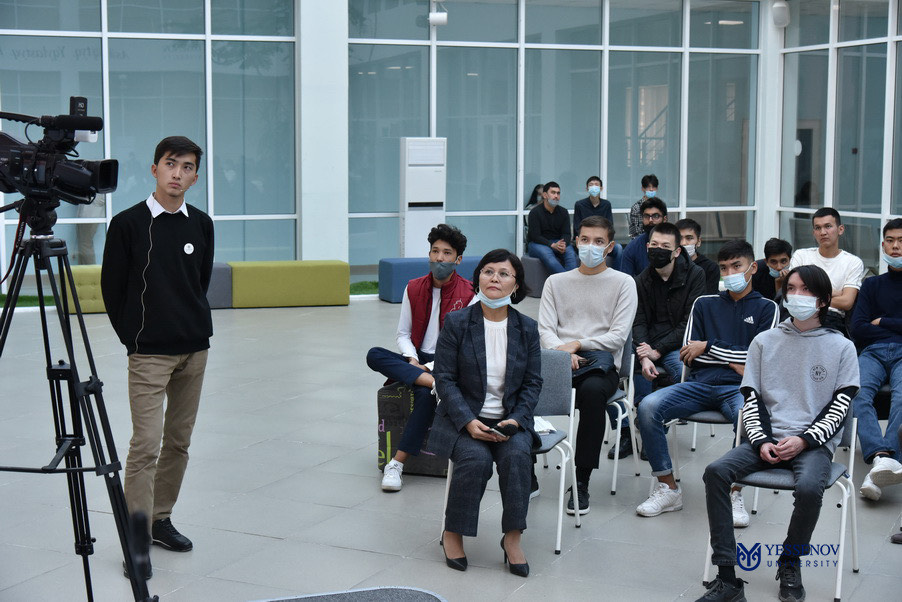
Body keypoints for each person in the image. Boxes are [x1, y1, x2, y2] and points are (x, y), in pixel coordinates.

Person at [695, 265, 859, 602]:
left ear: (823, 301)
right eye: (792, 288)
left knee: (810, 487)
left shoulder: (841, 347)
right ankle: (727, 577)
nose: (796, 296)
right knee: (715, 472)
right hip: (766, 439)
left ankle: (790, 562)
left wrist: (804, 440)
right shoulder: (764, 341)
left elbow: (841, 404)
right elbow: (752, 398)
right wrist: (761, 440)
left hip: (812, 444)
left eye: (806, 290)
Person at [101, 136, 214, 578]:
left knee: (179, 442)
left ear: (195, 177)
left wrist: (191, 326)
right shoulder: (128, 224)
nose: (177, 174)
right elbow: (113, 289)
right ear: (154, 169)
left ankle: (160, 519)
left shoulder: (201, 224)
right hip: (149, 354)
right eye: (170, 164)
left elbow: (199, 282)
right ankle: (136, 539)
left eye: (187, 168)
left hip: (194, 349)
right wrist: (134, 339)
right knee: (145, 446)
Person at [635, 240, 778, 525]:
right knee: (648, 406)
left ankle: (734, 491)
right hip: (698, 384)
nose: (730, 273)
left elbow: (760, 359)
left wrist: (709, 346)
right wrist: (734, 359)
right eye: (724, 268)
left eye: (736, 266)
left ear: (752, 268)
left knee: (749, 419)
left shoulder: (767, 308)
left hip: (740, 389)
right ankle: (668, 488)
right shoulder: (705, 304)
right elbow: (688, 352)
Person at [430, 250, 540, 578]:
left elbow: (533, 383)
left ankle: (512, 537)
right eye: (488, 271)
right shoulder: (458, 322)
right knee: (475, 459)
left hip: (509, 420)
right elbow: (444, 378)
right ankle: (453, 532)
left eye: (504, 274)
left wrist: (516, 420)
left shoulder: (526, 328)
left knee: (517, 457)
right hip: (462, 418)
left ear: (516, 285)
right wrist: (468, 421)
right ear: (478, 278)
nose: (495, 278)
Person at [538, 216, 638, 514]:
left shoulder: (623, 283)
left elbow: (618, 337)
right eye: (584, 240)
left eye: (598, 241)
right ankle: (523, 471)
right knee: (518, 383)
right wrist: (562, 353)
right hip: (559, 359)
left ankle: (580, 480)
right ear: (575, 242)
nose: (590, 246)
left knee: (592, 393)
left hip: (600, 364)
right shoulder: (556, 282)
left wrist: (578, 345)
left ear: (610, 247)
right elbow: (545, 330)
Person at [366, 224, 474, 492]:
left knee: (426, 396)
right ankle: (432, 382)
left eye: (447, 253)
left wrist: (430, 367)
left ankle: (396, 464)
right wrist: (413, 359)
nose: (439, 258)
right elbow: (403, 334)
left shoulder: (470, 294)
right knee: (374, 354)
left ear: (458, 259)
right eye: (435, 251)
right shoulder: (413, 287)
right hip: (415, 360)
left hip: (448, 363)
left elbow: (463, 347)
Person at [853, 218, 902, 502]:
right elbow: (858, 328)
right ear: (883, 245)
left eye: (901, 241)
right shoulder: (871, 285)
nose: (896, 247)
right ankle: (882, 456)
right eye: (891, 241)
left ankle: (885, 462)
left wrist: (882, 321)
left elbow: (869, 324)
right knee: (856, 392)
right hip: (872, 352)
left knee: (901, 397)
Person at [633, 222, 706, 406]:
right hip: (646, 343)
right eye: (654, 245)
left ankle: (669, 411)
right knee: (619, 368)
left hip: (677, 345)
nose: (658, 250)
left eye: (665, 246)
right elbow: (638, 321)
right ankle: (637, 415)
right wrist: (644, 355)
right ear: (647, 247)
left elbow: (689, 322)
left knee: (683, 374)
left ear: (677, 252)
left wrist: (657, 351)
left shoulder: (695, 275)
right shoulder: (641, 280)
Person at [787, 207, 865, 335]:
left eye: (828, 226)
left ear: (840, 229)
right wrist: (834, 293)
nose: (823, 232)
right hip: (798, 314)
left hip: (831, 318)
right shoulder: (801, 256)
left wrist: (808, 295)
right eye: (818, 228)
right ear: (814, 232)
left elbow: (846, 302)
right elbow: (793, 294)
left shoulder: (853, 262)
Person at [573, 176, 622, 271]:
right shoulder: (579, 204)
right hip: (586, 241)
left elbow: (610, 226)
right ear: (587, 188)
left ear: (601, 188)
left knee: (619, 248)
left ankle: (616, 273)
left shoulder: (606, 204)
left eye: (596, 185)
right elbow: (576, 227)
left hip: (601, 241)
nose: (594, 187)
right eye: (591, 185)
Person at [527, 181, 577, 274]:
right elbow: (535, 236)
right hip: (538, 244)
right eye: (553, 193)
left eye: (558, 193)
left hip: (558, 242)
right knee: (548, 255)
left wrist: (563, 244)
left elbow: (566, 233)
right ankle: (565, 280)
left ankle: (570, 279)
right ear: (545, 195)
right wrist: (552, 245)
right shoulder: (535, 212)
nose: (556, 196)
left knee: (571, 255)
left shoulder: (563, 212)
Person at [622, 197, 667, 277]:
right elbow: (626, 280)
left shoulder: (676, 244)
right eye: (646, 216)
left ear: (664, 219)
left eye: (655, 216)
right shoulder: (632, 247)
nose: (650, 220)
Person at [676, 218, 720, 295]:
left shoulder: (710, 268)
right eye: (679, 238)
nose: (683, 243)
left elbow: (708, 298)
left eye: (689, 238)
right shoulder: (669, 265)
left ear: (698, 241)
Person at [751, 237, 793, 301]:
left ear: (790, 260)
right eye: (774, 262)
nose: (779, 267)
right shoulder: (755, 271)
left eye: (783, 261)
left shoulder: (795, 273)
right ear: (766, 262)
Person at [628, 174, 658, 239]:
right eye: (648, 187)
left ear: (657, 188)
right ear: (643, 188)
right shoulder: (636, 207)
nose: (651, 189)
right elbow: (634, 232)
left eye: (653, 187)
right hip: (641, 240)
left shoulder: (660, 206)